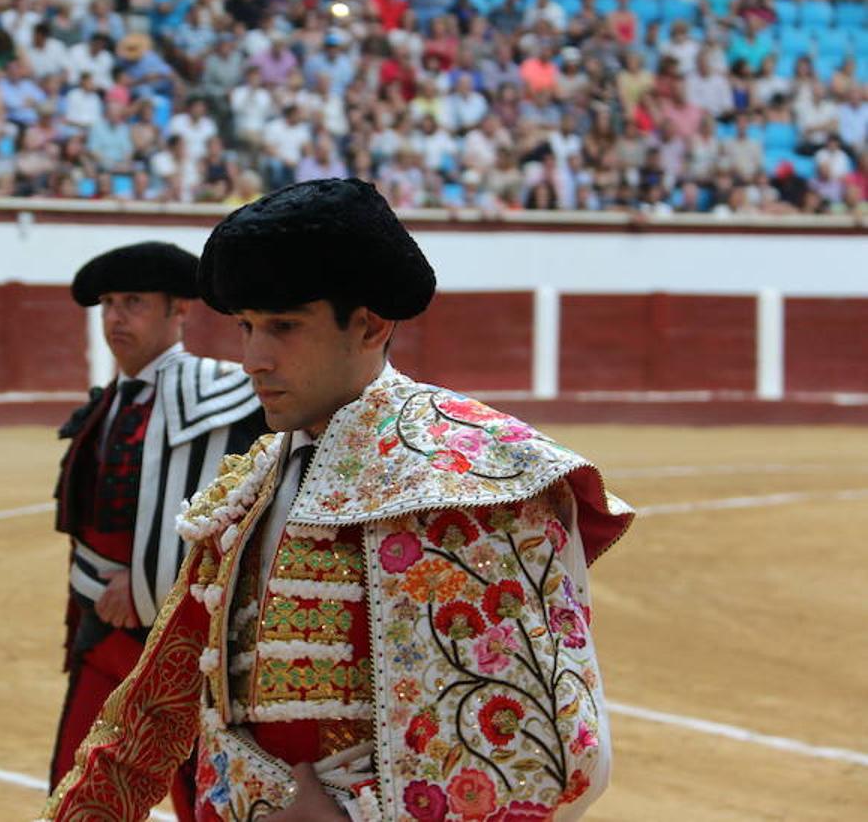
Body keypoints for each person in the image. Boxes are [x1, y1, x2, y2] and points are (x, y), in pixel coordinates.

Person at [42, 179, 634, 821]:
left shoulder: (472, 480)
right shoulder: (246, 491)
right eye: (246, 327)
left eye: (284, 327)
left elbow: (548, 753)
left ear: (371, 325)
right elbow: (149, 720)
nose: (253, 359)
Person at [49, 242, 268, 820]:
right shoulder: (110, 403)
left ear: (180, 312)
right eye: (109, 304)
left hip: (183, 637)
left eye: (135, 303)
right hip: (101, 627)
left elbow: (237, 506)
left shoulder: (226, 395)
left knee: (200, 790)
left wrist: (151, 585)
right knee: (77, 780)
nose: (116, 318)